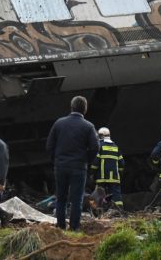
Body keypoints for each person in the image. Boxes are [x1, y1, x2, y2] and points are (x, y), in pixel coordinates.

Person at [46, 95, 99, 231]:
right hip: (78, 167)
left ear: (71, 107)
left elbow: (49, 146)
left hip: (61, 166)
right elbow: (95, 147)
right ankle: (74, 227)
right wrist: (86, 160)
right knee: (77, 199)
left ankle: (61, 226)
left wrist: (56, 160)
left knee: (61, 197)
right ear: (85, 109)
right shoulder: (88, 126)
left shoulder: (59, 123)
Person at [92, 127, 124, 215]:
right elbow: (122, 163)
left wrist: (92, 173)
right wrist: (119, 173)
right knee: (116, 195)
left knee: (99, 194)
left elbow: (95, 162)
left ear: (101, 136)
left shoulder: (99, 146)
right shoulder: (115, 147)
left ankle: (99, 212)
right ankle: (119, 211)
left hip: (102, 177)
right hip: (114, 177)